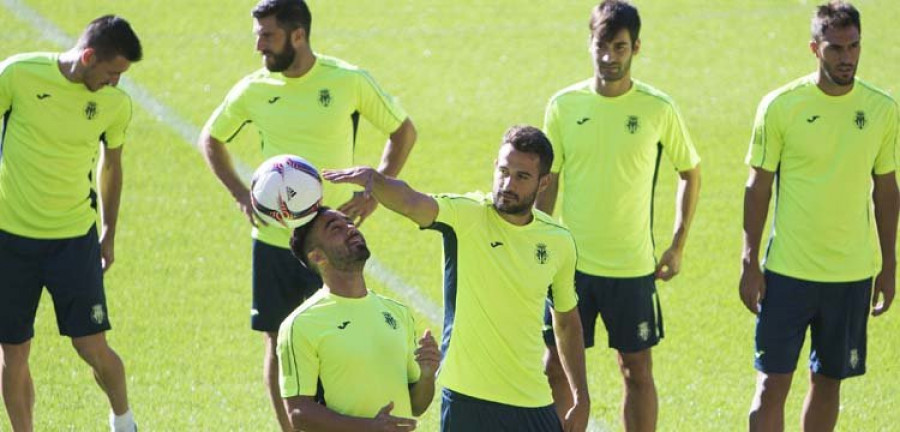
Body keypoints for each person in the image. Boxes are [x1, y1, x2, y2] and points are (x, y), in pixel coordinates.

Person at [198, 0, 417, 428]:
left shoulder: (346, 81)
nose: (259, 45)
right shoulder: (253, 90)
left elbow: (403, 131)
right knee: (279, 341)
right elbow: (211, 138)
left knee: (343, 336)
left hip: (331, 239)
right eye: (257, 35)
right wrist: (242, 195)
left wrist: (376, 189)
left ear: (298, 35)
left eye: (268, 35)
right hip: (275, 242)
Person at [325, 125, 590, 432]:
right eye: (503, 171)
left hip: (532, 400)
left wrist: (581, 397)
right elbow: (411, 202)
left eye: (522, 176)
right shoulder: (466, 215)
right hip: (467, 398)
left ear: (543, 182)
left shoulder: (559, 242)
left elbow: (567, 321)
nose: (507, 183)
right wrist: (376, 180)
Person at [536, 1, 701, 430]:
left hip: (632, 267)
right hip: (572, 267)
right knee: (556, 367)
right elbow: (547, 180)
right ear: (589, 43)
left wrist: (677, 244)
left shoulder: (657, 108)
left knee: (636, 370)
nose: (610, 56)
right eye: (602, 45)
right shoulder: (563, 105)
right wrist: (534, 246)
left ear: (637, 47)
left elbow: (689, 171)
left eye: (620, 47)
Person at [740, 2, 898, 431]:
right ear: (815, 48)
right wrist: (749, 261)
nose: (846, 58)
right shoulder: (780, 106)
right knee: (771, 387)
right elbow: (758, 189)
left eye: (853, 47)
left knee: (829, 383)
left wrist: (889, 264)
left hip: (850, 277)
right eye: (835, 48)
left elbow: (886, 189)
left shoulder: (882, 110)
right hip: (788, 273)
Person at [0, 15, 142, 432]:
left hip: (73, 241)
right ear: (89, 56)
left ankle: (124, 420)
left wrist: (109, 231)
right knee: (13, 352)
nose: (116, 82)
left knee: (92, 345)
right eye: (113, 72)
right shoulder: (18, 74)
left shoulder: (115, 104)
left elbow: (111, 165)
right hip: (10, 238)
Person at [277, 207, 439, 431]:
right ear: (317, 256)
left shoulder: (397, 312)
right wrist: (368, 427)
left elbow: (416, 406)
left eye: (349, 223)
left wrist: (427, 376)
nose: (351, 229)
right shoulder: (301, 324)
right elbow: (298, 412)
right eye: (336, 229)